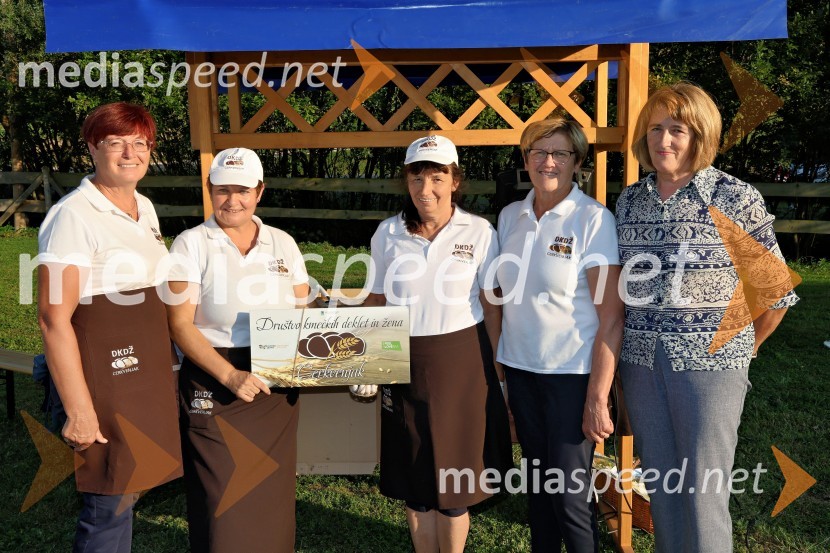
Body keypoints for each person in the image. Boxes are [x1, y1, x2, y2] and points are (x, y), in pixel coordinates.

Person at [615, 82, 799, 553]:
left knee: (703, 493)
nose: (664, 140)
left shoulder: (733, 197)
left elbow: (773, 292)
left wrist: (739, 352)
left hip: (712, 370)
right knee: (662, 489)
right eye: (655, 128)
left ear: (701, 135)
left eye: (677, 129)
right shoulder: (630, 202)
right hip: (639, 363)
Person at [37, 102, 182, 553]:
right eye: (115, 142)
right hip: (104, 375)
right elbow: (53, 318)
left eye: (139, 143)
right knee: (110, 497)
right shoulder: (73, 216)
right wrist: (79, 410)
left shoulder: (144, 206)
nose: (129, 153)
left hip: (146, 371)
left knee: (132, 482)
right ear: (92, 148)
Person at [360, 135, 513, 553]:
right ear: (406, 181)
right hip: (401, 357)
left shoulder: (481, 231)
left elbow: (491, 304)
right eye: (416, 178)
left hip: (464, 361)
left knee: (455, 480)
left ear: (454, 180)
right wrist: (367, 359)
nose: (425, 189)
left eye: (436, 177)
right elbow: (376, 299)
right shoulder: (387, 233)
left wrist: (497, 369)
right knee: (415, 478)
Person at [165, 147, 310, 553]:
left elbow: (304, 309)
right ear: (210, 190)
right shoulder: (190, 244)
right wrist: (229, 376)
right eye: (222, 189)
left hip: (275, 379)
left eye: (242, 190)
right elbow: (179, 324)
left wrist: (342, 362)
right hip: (215, 376)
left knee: (272, 493)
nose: (232, 200)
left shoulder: (283, 243)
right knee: (221, 499)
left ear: (259, 191)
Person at [496, 118, 623, 552]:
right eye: (538, 151)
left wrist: (596, 397)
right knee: (538, 490)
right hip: (520, 370)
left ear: (577, 163)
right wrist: (502, 380)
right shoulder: (509, 217)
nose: (548, 162)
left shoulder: (593, 219)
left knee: (569, 496)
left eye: (560, 154)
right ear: (525, 158)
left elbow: (611, 317)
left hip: (571, 377)